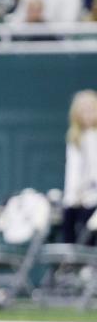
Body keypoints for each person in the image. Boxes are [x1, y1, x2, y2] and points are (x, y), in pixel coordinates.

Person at [62, 90, 97, 244]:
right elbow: (73, 171)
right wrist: (72, 196)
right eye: (83, 111)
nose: (87, 115)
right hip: (77, 198)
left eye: (91, 110)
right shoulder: (74, 138)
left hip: (93, 197)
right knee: (69, 226)